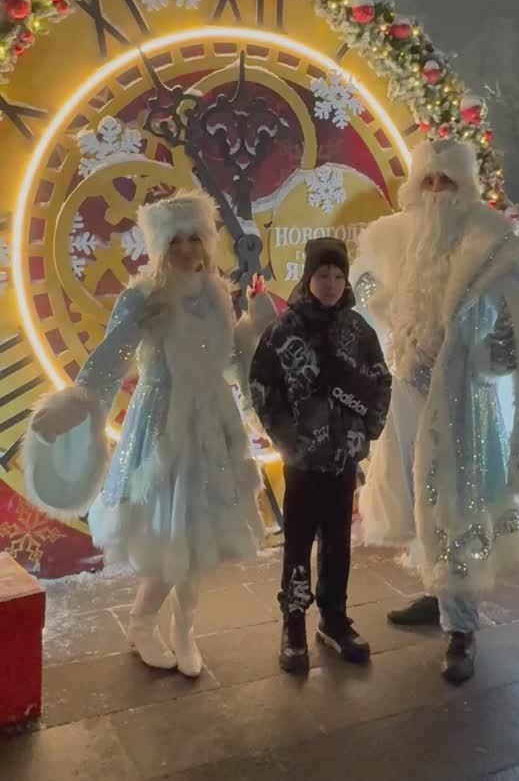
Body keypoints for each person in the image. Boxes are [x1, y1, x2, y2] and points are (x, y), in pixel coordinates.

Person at [24, 189, 275, 678]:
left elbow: (226, 358)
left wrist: (253, 324)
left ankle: (185, 629)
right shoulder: (143, 297)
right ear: (160, 245)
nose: (186, 248)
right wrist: (78, 403)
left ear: (207, 241)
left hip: (210, 421)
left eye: (194, 238)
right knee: (170, 530)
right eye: (175, 240)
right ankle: (142, 621)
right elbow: (110, 358)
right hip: (163, 423)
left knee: (198, 531)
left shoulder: (217, 293)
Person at [351, 139, 519, 685]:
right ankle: (438, 589)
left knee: (457, 500)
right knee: (416, 491)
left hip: (465, 400)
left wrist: (478, 355)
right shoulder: (392, 236)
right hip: (407, 391)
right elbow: (364, 279)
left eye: (445, 181)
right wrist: (390, 318)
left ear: (464, 186)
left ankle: (461, 626)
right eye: (427, 181)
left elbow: (518, 331)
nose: (436, 192)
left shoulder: (491, 245)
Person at [249, 237, 391, 675]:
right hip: (303, 463)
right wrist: (288, 439)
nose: (330, 283)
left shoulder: (358, 331)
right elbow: (263, 386)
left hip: (343, 459)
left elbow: (380, 381)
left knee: (338, 541)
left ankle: (334, 619)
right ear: (308, 277)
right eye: (322, 274)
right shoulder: (284, 330)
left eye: (338, 275)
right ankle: (293, 623)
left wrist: (367, 430)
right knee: (298, 542)